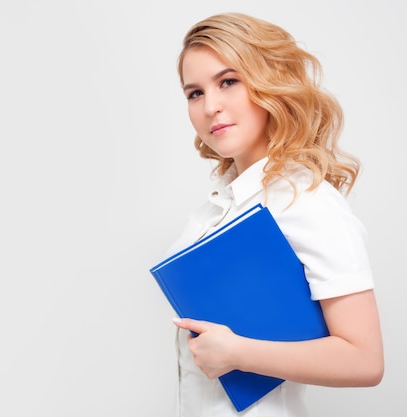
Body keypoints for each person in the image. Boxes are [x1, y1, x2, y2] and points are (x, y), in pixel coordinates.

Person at [160, 12, 384, 417]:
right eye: (194, 93)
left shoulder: (307, 200)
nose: (211, 106)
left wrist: (237, 353)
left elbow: (365, 360)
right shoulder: (216, 207)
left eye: (228, 81)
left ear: (269, 84)